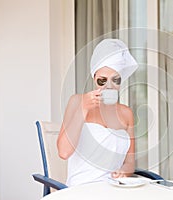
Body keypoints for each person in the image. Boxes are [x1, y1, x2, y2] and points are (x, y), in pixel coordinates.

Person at [57, 39, 138, 187]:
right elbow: (63, 152)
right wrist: (83, 109)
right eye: (102, 81)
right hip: (81, 190)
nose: (109, 86)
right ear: (94, 78)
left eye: (116, 80)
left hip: (115, 189)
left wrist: (124, 172)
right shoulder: (77, 101)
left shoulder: (126, 113)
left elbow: (130, 163)